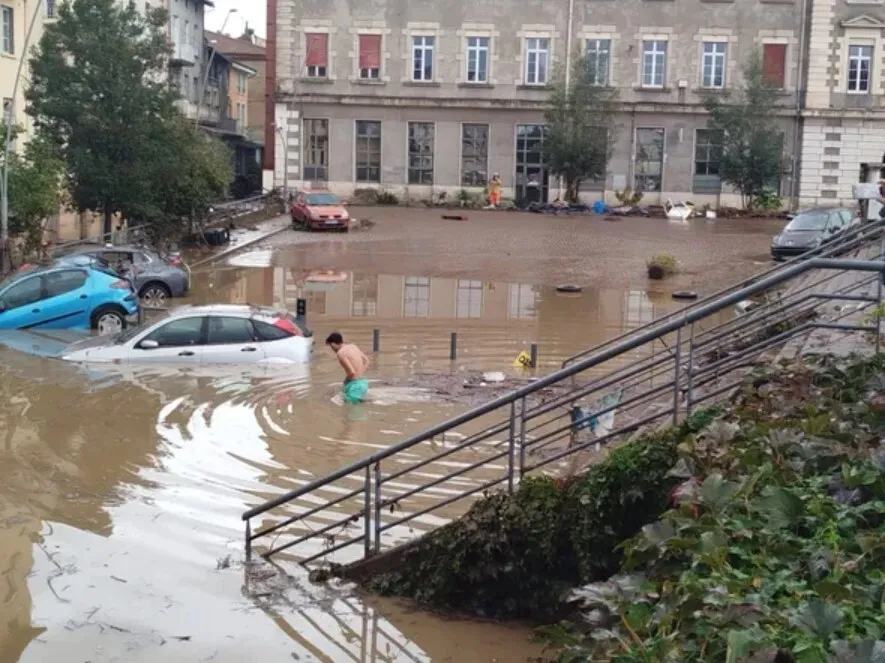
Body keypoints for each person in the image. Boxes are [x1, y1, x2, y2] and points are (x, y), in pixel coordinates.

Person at [326, 332, 370, 404]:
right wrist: (360, 375)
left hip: (355, 386)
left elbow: (352, 372)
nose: (332, 349)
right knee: (357, 405)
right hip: (363, 383)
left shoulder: (340, 353)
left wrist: (345, 381)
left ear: (333, 343)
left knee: (352, 412)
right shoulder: (353, 346)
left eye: (331, 346)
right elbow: (367, 361)